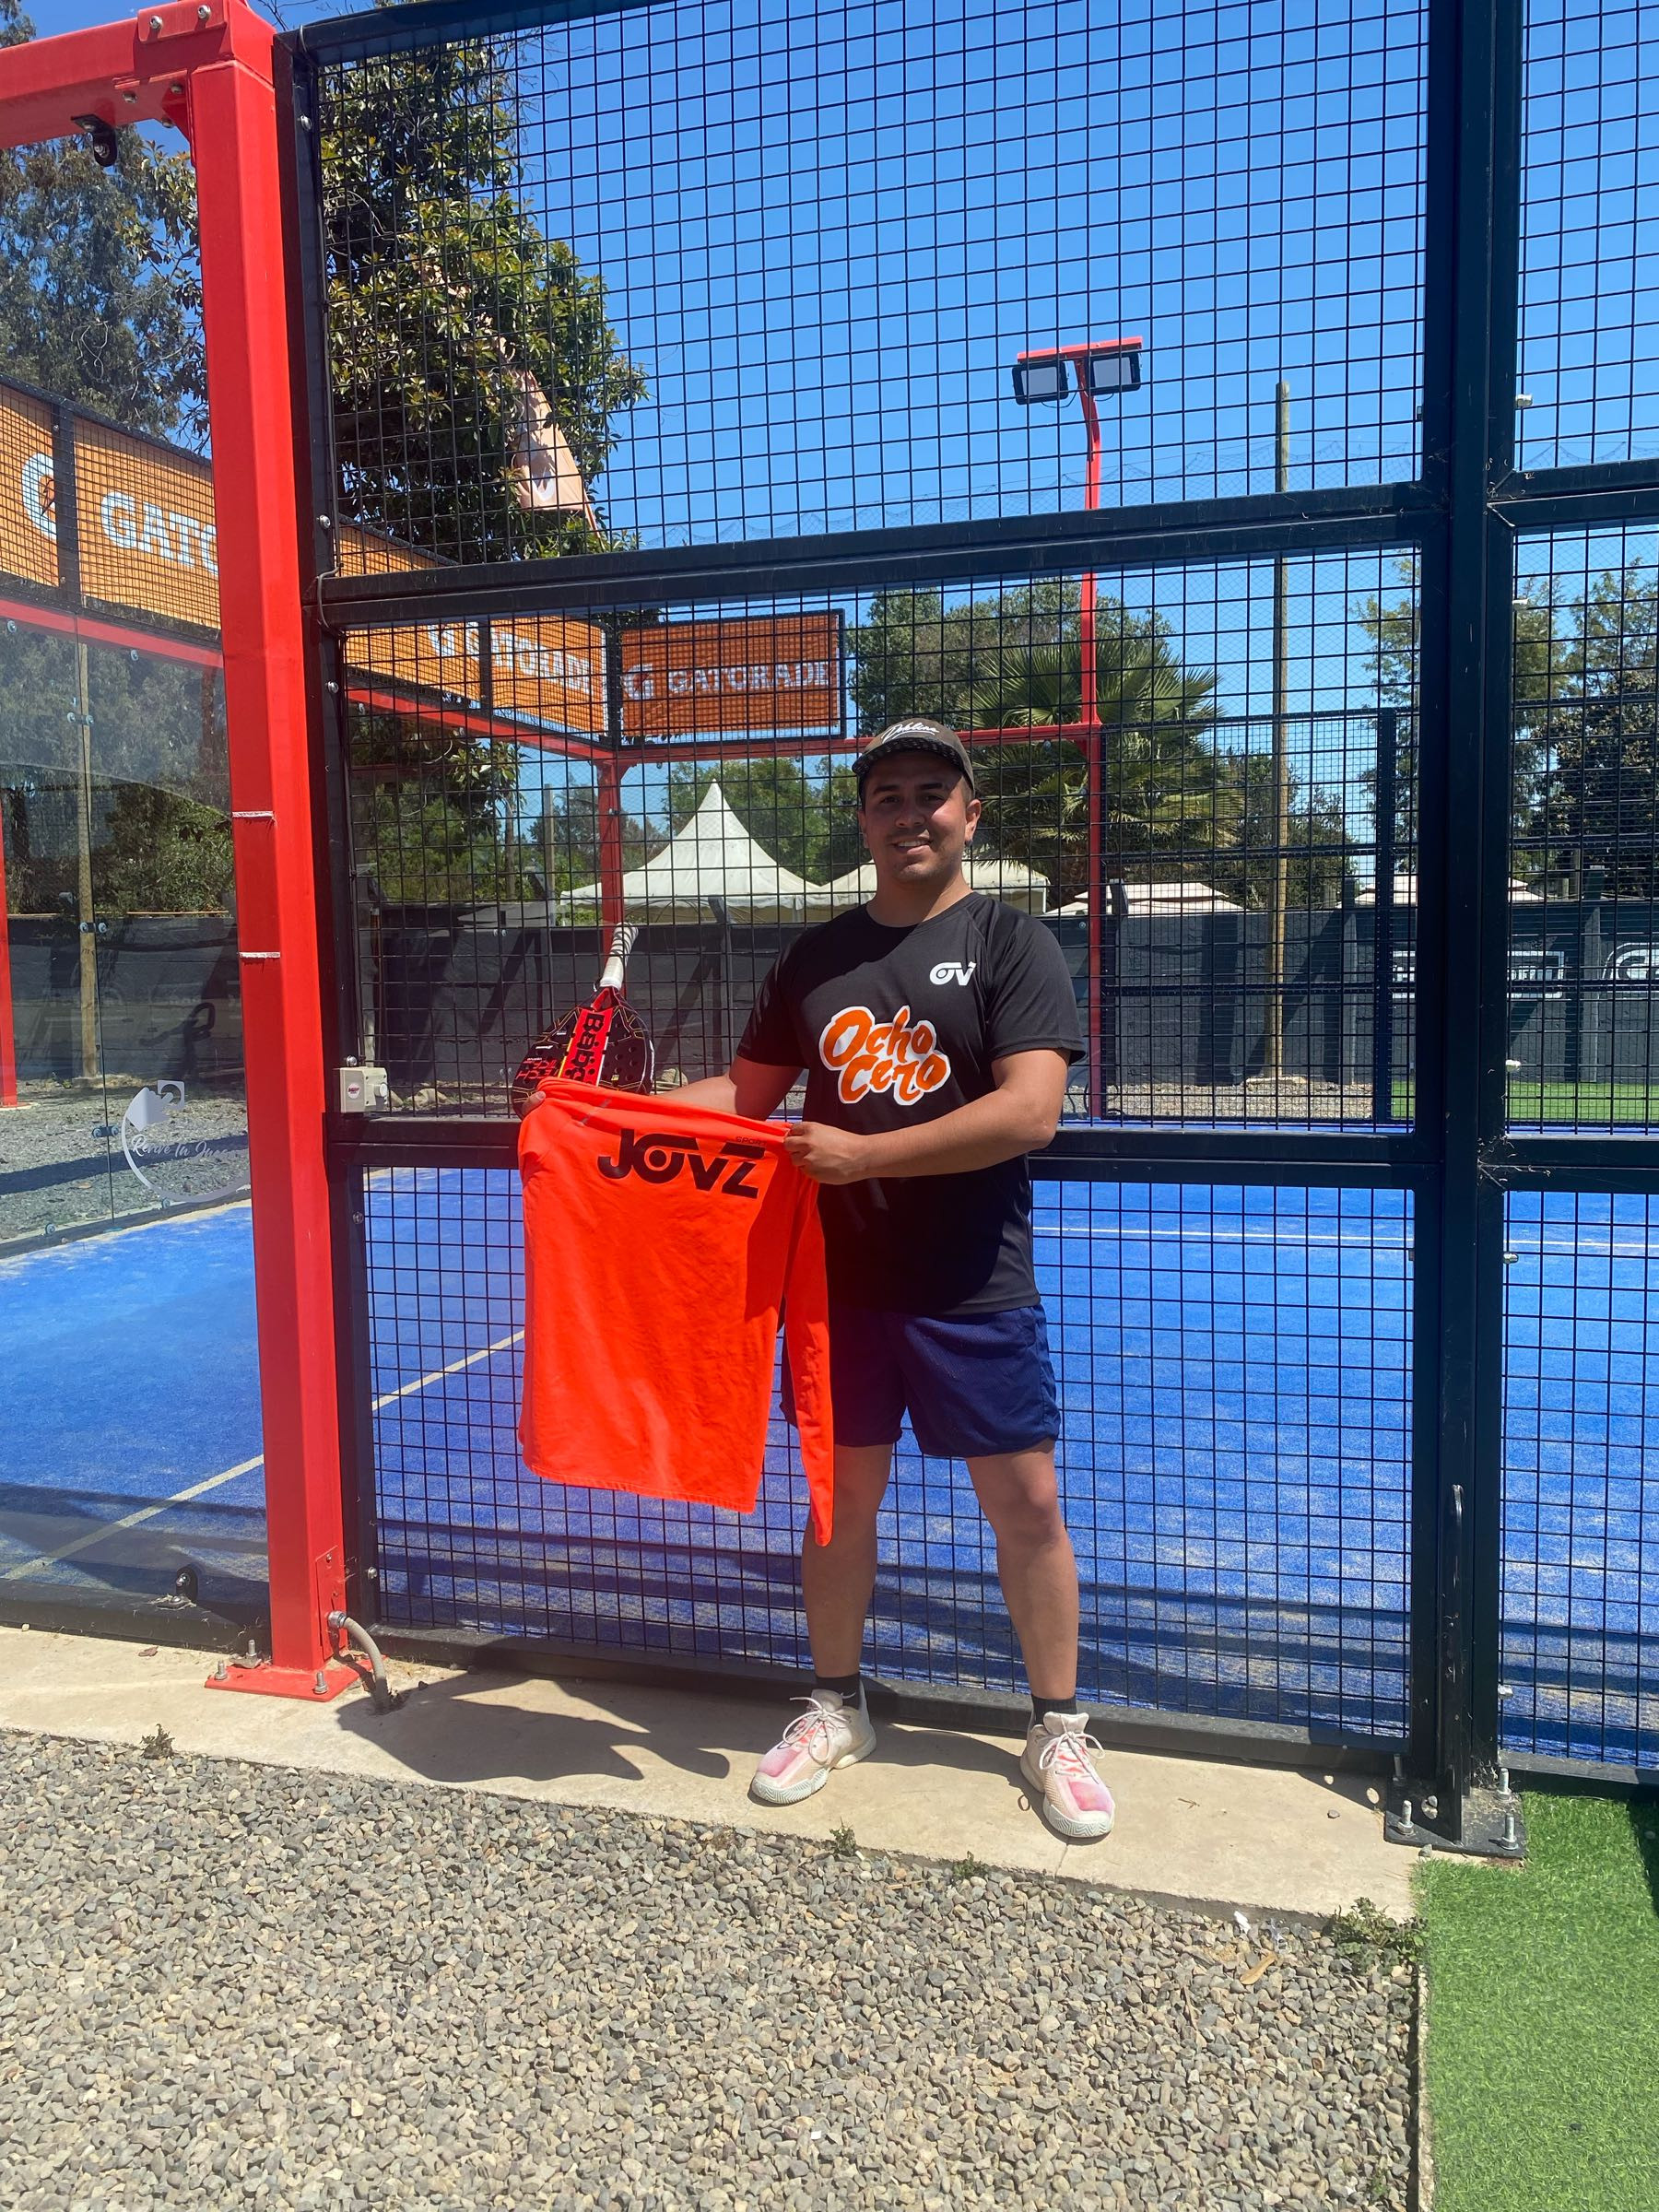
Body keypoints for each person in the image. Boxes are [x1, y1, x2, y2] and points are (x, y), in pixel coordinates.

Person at [673, 715, 1114, 1841]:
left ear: (969, 814)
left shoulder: (1012, 941)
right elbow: (745, 1100)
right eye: (887, 798)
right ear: (864, 821)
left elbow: (1030, 1111)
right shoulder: (815, 956)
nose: (909, 814)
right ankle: (836, 1707)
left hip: (973, 1283)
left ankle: (1056, 1726)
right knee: (838, 1507)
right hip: (839, 1292)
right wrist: (596, 1113)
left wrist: (865, 1156)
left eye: (931, 794)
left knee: (1028, 1507)